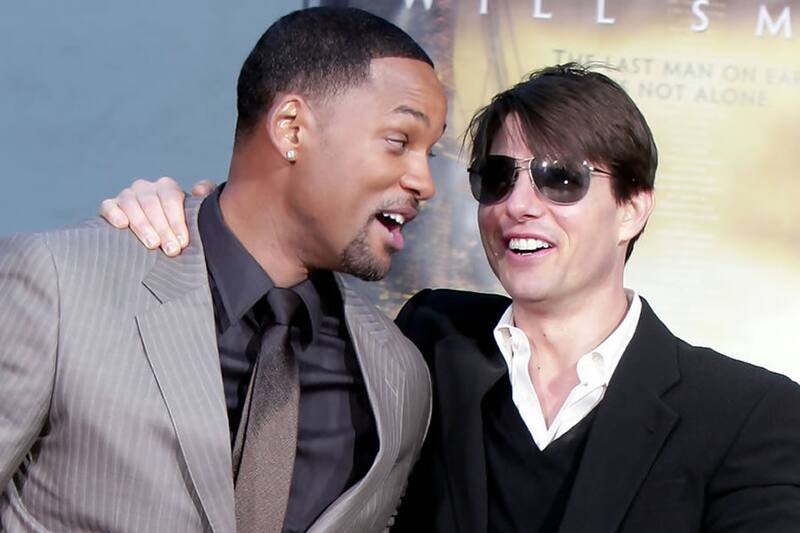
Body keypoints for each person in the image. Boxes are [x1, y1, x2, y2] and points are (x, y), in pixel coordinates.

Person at [101, 65, 800, 532]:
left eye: (560, 179)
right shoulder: (428, 339)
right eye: (497, 177)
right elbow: (266, 292)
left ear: (632, 209)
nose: (519, 204)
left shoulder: (748, 413)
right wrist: (186, 218)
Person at [0, 7, 445, 533]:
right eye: (399, 141)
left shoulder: (399, 377)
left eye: (431, 153)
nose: (425, 182)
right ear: (292, 128)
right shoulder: (60, 283)